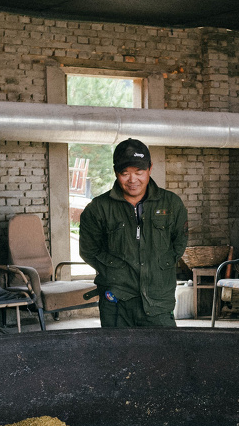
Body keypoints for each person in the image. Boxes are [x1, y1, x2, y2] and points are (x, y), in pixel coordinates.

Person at [79, 139, 188, 328]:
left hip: (158, 302)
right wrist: (116, 271)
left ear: (150, 169)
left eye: (139, 172)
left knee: (163, 355)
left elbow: (178, 244)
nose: (132, 180)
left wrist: (157, 267)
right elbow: (89, 251)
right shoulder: (98, 208)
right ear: (115, 172)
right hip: (116, 302)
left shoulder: (171, 204)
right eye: (125, 173)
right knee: (117, 356)